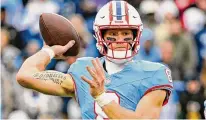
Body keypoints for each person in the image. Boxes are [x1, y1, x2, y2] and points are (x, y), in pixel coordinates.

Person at [16, 0, 173, 119]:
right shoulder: (84, 71)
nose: (120, 40)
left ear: (136, 36)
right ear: (100, 36)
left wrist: (101, 97)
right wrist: (48, 51)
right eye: (113, 34)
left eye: (126, 33)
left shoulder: (153, 74)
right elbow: (25, 76)